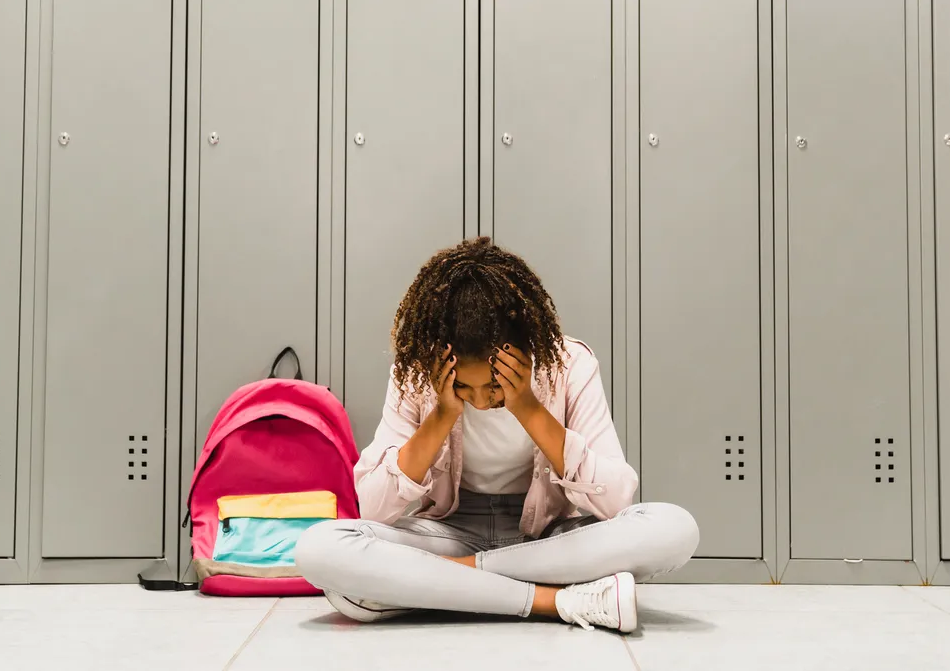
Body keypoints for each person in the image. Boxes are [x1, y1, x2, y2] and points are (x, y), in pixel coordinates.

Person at [295, 237, 699, 633]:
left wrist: (527, 407)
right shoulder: (417, 376)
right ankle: (555, 601)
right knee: (319, 547)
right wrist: (441, 415)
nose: (482, 402)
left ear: (525, 350)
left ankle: (446, 582)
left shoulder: (569, 364)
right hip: (450, 532)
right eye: (465, 390)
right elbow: (372, 508)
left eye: (494, 386)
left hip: (547, 540)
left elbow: (616, 500)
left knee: (673, 528)